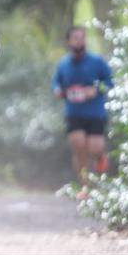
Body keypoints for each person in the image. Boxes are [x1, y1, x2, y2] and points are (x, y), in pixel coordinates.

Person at [51, 26, 112, 199]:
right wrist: (57, 91)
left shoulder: (97, 61)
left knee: (95, 148)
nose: (79, 41)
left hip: (95, 113)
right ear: (68, 42)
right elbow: (56, 83)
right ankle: (85, 187)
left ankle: (100, 176)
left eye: (82, 37)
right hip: (74, 113)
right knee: (79, 147)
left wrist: (96, 90)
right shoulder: (63, 64)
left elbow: (109, 81)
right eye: (75, 38)